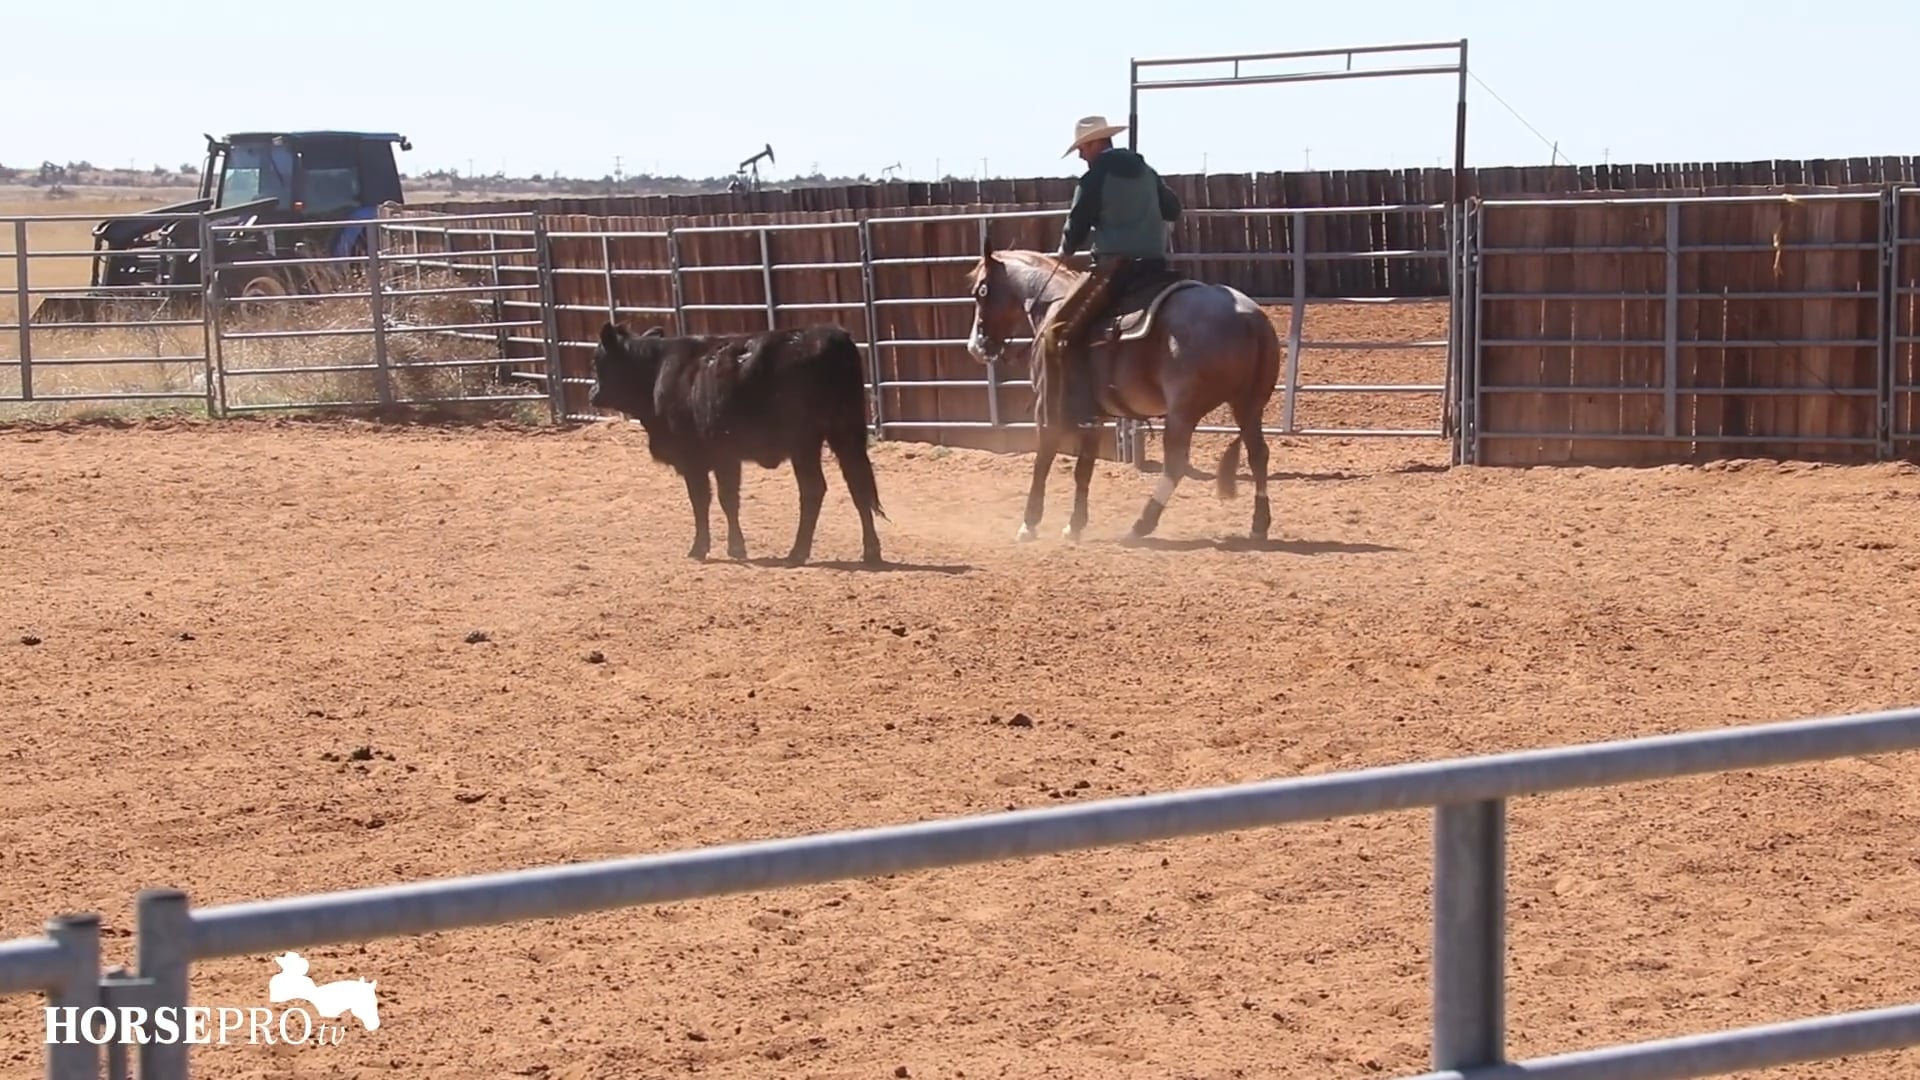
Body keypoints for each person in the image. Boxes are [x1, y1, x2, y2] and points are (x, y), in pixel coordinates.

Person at [1037, 115, 1184, 430]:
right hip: (1154, 267)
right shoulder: (1147, 171)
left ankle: (1077, 407)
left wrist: (1064, 249)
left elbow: (1077, 225)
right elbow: (1173, 209)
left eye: (1082, 148)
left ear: (1093, 143)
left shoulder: (1093, 179)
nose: (1080, 155)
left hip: (1114, 270)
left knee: (1057, 331)